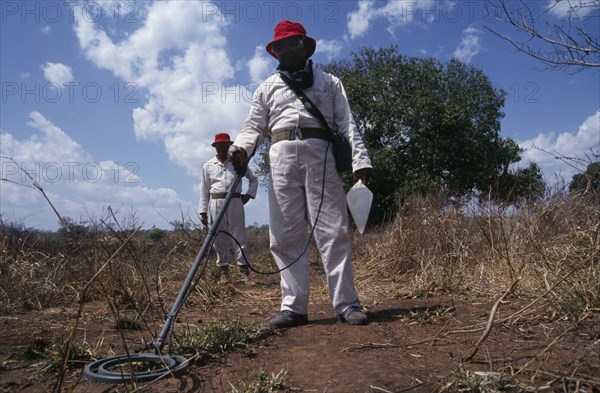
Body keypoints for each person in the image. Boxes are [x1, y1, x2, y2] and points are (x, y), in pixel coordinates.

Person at [229, 20, 373, 328]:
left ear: (304, 45)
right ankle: (293, 307)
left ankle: (347, 303)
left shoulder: (330, 82)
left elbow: (347, 122)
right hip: (279, 155)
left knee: (333, 230)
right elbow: (253, 126)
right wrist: (241, 149)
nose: (284, 49)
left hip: (319, 151)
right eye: (279, 45)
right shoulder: (267, 88)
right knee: (284, 234)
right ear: (274, 52)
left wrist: (360, 160)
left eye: (291, 43)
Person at [199, 132, 258, 284]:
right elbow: (204, 190)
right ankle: (224, 273)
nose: (223, 148)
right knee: (219, 238)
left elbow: (253, 179)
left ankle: (244, 273)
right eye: (220, 145)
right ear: (215, 147)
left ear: (229, 146)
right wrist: (203, 211)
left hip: (235, 201)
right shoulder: (208, 166)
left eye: (226, 145)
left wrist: (248, 195)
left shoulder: (237, 163)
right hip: (216, 202)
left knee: (239, 236)